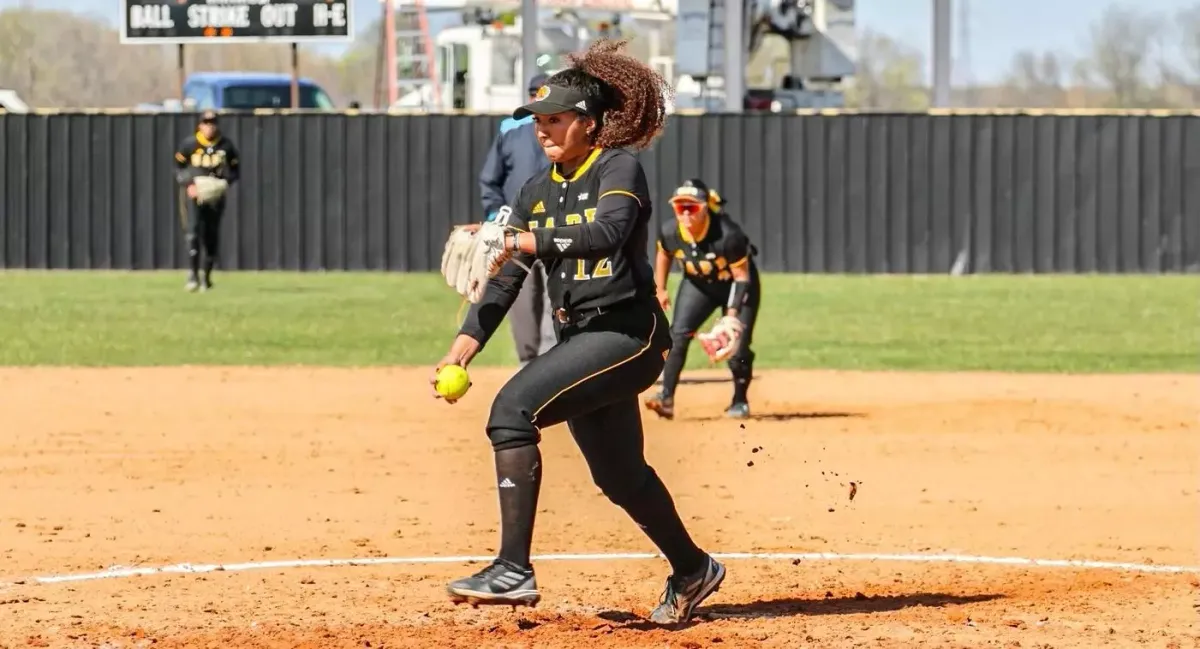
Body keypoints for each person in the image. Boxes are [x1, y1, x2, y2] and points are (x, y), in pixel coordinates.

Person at [432, 40, 725, 625]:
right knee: (620, 477)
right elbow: (506, 275)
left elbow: (609, 232)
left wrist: (520, 240)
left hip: (629, 335)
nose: (542, 130)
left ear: (588, 124)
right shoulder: (535, 191)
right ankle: (693, 569)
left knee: (512, 410)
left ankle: (513, 567)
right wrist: (467, 340)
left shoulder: (618, 168)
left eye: (554, 119)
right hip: (581, 339)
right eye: (537, 121)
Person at [644, 179, 761, 420]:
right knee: (677, 334)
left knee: (737, 341)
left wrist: (731, 316)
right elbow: (664, 252)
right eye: (680, 207)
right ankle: (665, 397)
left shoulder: (728, 235)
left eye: (692, 207)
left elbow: (741, 277)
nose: (685, 213)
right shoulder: (671, 231)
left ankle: (740, 400)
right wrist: (661, 288)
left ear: (705, 207)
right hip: (699, 284)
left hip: (736, 285)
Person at [479, 73, 556, 367]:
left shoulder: (567, 127)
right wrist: (496, 217)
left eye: (545, 93)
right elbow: (490, 180)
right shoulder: (512, 129)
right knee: (521, 301)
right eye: (535, 93)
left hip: (554, 231)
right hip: (516, 232)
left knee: (556, 299)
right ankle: (528, 366)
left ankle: (550, 367)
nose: (539, 98)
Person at [174, 110, 239, 292]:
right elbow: (179, 167)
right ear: (200, 125)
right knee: (193, 233)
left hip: (215, 196)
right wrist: (188, 184)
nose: (209, 126)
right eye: (206, 122)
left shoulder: (226, 146)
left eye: (213, 122)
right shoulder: (190, 144)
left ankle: (207, 277)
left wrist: (225, 183)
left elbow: (235, 170)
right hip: (194, 194)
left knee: (211, 236)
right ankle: (193, 275)